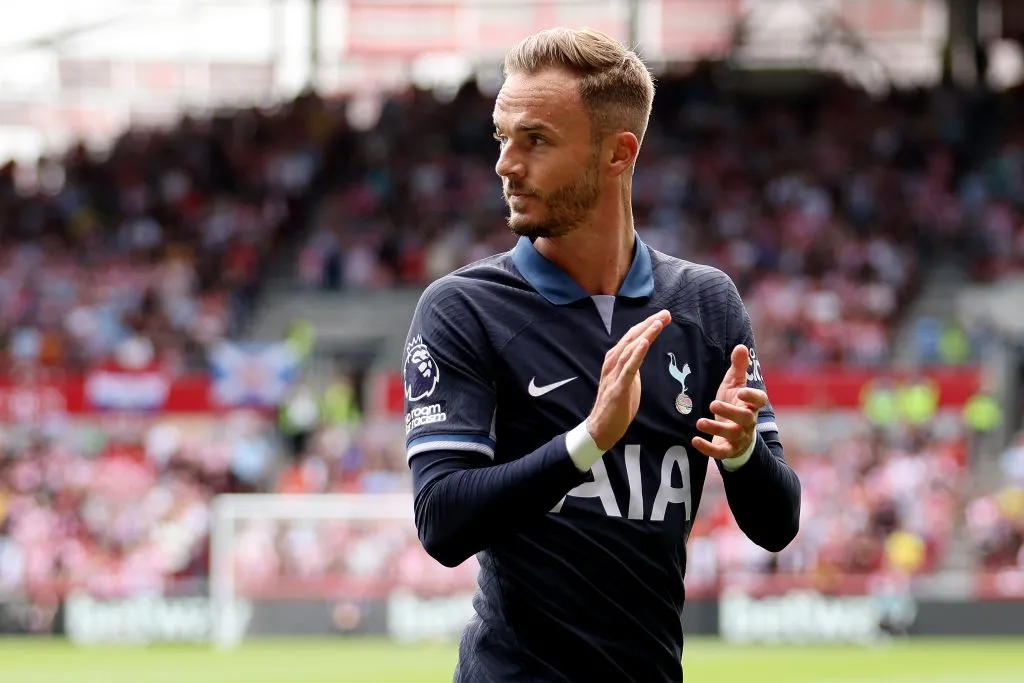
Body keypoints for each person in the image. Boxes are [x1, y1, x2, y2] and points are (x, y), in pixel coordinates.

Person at [402, 27, 801, 682]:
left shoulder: (705, 305)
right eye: (502, 137)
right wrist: (588, 441)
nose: (505, 162)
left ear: (619, 155)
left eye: (535, 139)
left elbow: (777, 523)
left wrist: (742, 452)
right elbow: (443, 519)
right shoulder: (462, 308)